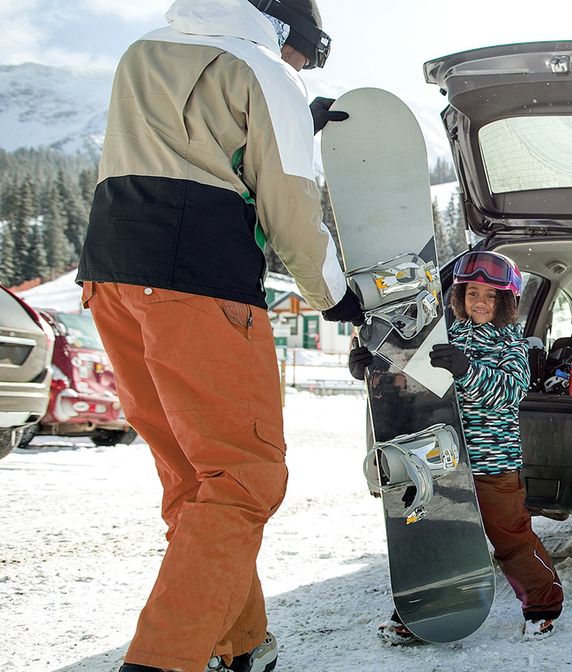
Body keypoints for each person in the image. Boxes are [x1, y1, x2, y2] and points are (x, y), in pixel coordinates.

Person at [77, 1, 361, 670]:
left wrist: (283, 122)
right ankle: (163, 661)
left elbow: (189, 143)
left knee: (194, 479)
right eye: (309, 54)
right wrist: (336, 295)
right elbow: (289, 206)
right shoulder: (267, 70)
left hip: (112, 275)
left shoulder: (144, 50)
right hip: (196, 283)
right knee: (244, 479)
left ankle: (244, 643)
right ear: (289, 31)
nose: (303, 68)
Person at [350, 251, 564, 643]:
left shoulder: (512, 345)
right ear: (460, 296)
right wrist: (369, 366)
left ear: (506, 303)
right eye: (472, 293)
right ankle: (423, 609)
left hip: (493, 463)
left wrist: (467, 369)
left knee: (510, 539)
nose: (479, 302)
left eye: (490, 295)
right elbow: (408, 376)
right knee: (439, 535)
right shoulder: (444, 335)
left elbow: (509, 392)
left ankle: (543, 604)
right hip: (444, 458)